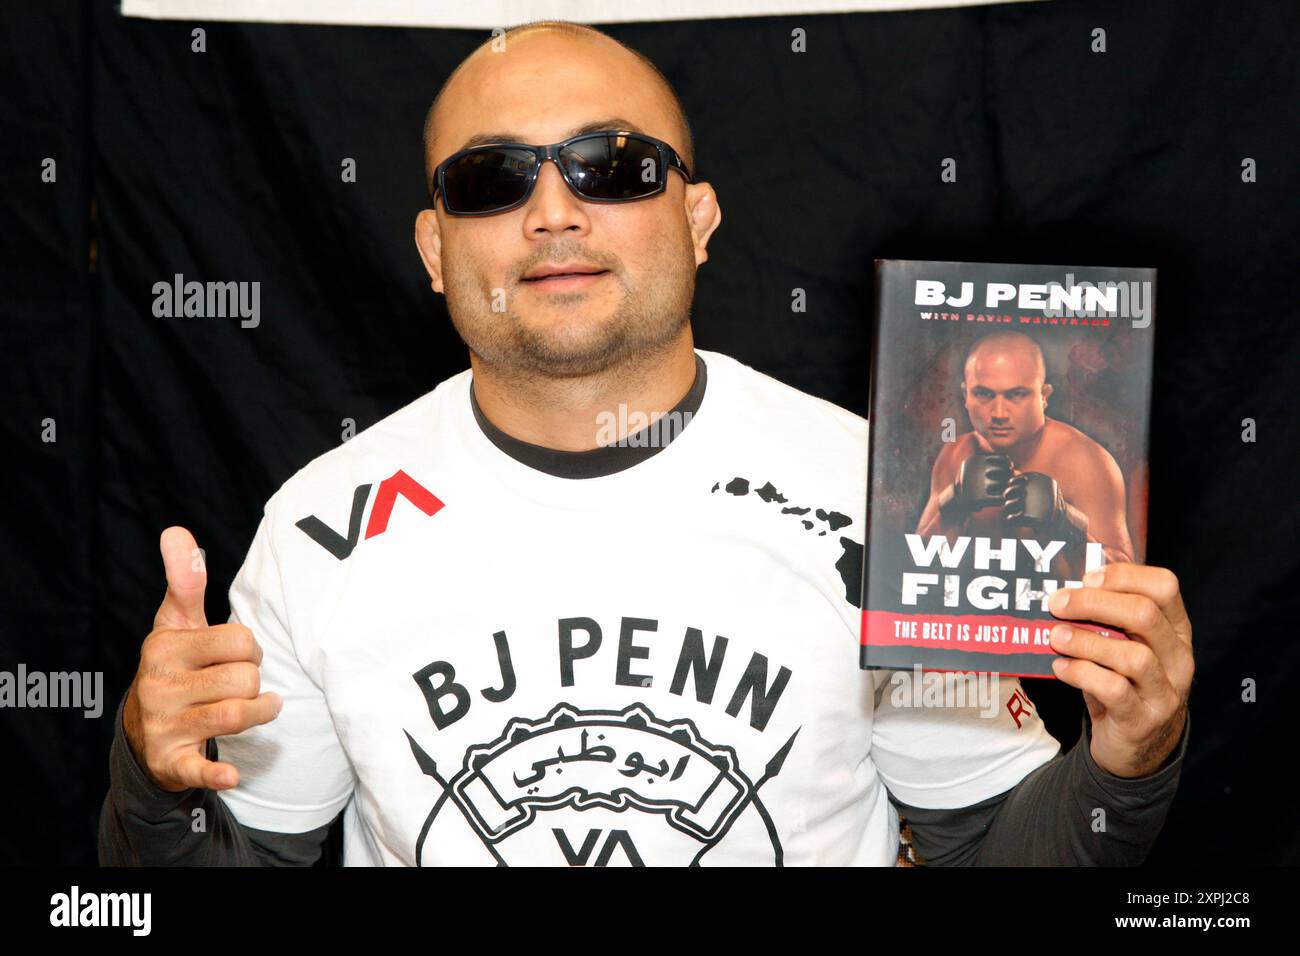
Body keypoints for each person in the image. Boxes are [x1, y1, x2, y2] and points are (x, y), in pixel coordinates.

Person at [99, 20, 1192, 867]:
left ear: (699, 220)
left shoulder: (884, 494)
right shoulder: (317, 529)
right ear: (435, 249)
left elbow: (996, 851)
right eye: (492, 179)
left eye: (612, 166)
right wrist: (151, 778)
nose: (553, 211)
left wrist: (1126, 760)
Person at [917, 331, 1135, 577]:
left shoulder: (1086, 462)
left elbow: (1124, 579)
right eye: (984, 394)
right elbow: (916, 564)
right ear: (966, 395)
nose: (999, 412)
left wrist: (1066, 525)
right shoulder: (956, 453)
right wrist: (954, 504)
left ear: (1044, 396)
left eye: (1016, 394)